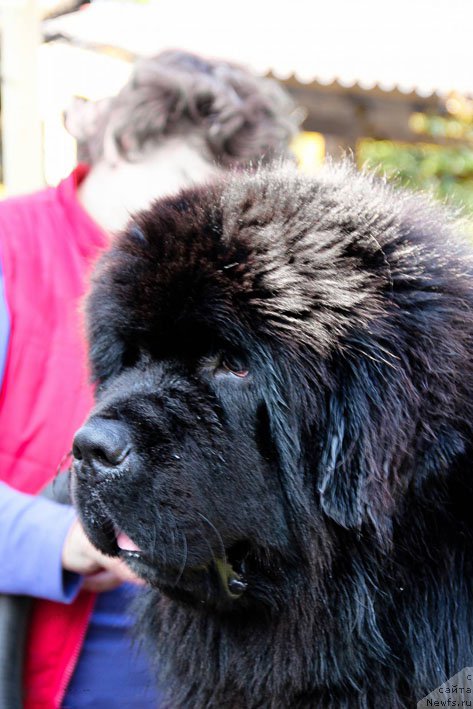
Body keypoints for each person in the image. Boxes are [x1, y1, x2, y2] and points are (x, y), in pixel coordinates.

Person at [0, 50, 301, 708]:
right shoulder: (8, 252)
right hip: (56, 667)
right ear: (123, 141)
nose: (202, 216)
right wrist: (60, 539)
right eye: (188, 187)